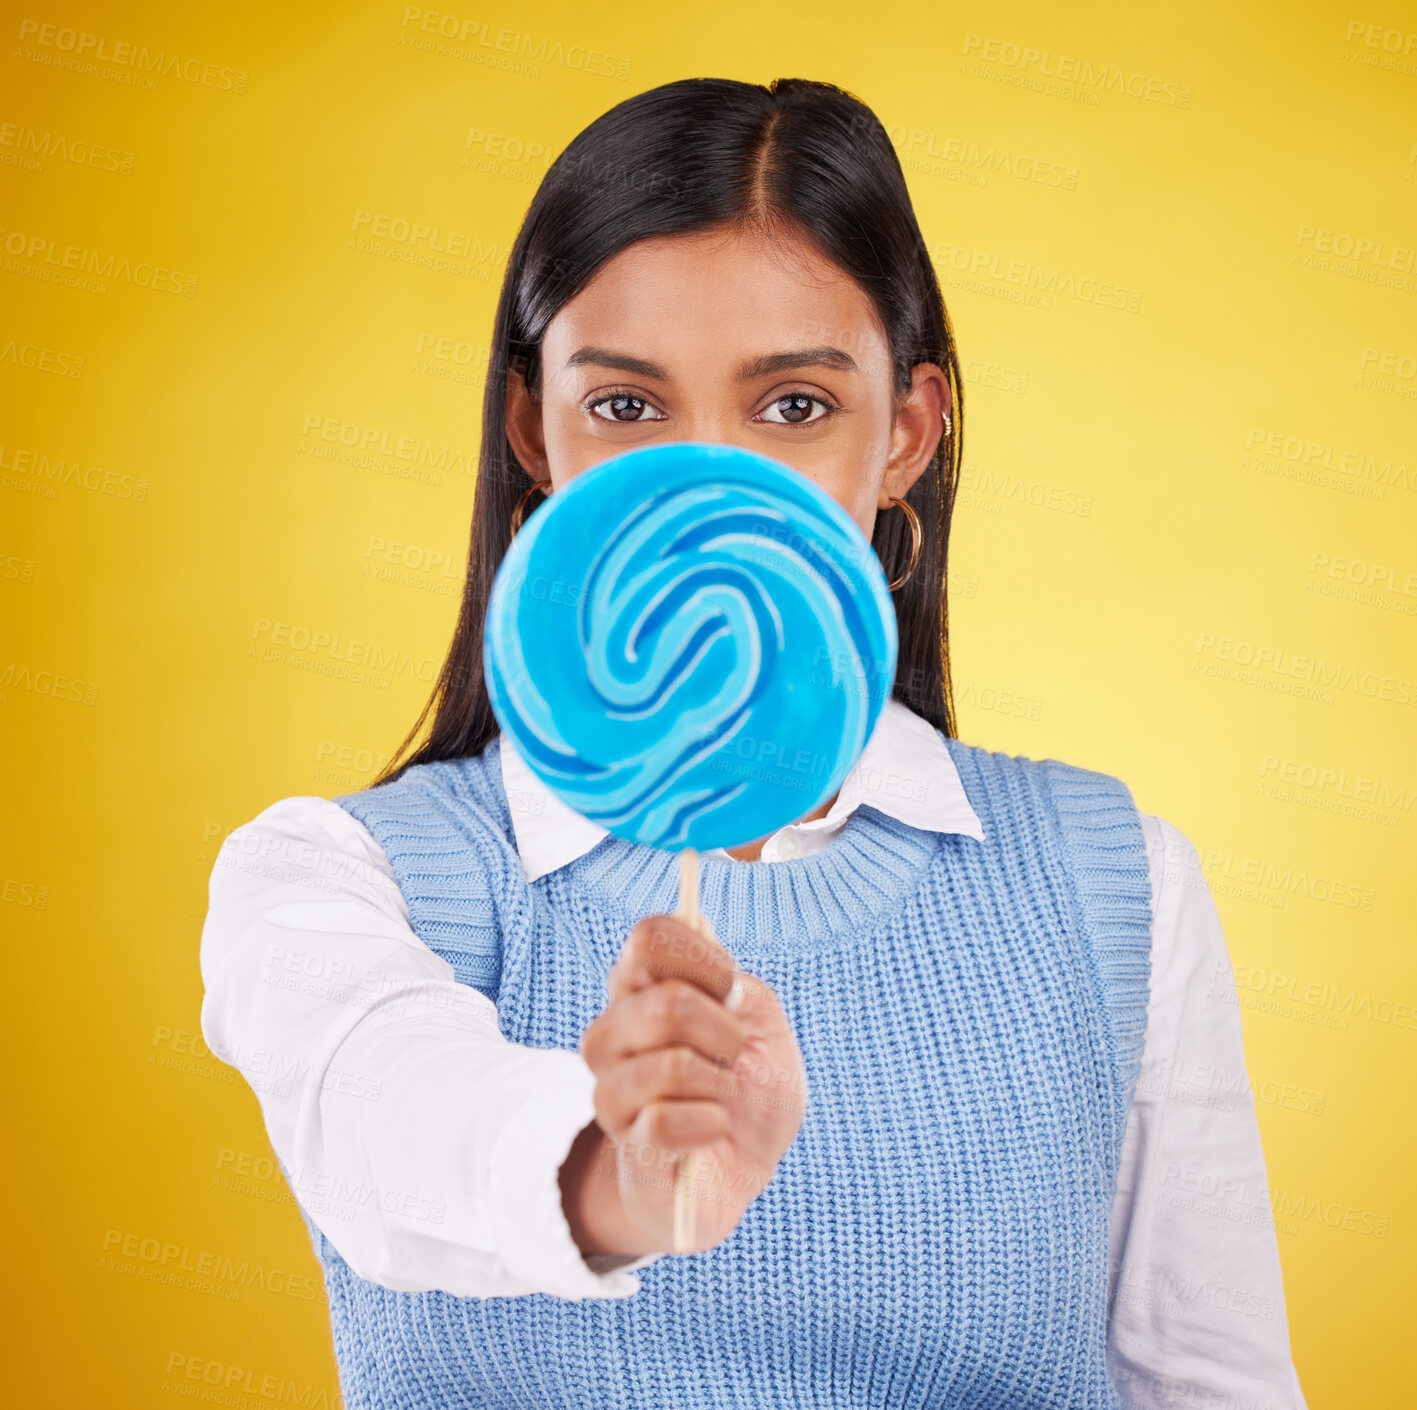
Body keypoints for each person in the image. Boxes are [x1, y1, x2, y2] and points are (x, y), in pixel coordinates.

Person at [200, 76, 1307, 1409]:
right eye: (624, 407)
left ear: (902, 433)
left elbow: (1210, 1382)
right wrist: (616, 1175)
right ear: (528, 429)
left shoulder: (1110, 880)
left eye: (792, 406)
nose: (706, 477)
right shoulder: (333, 877)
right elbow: (386, 1123)